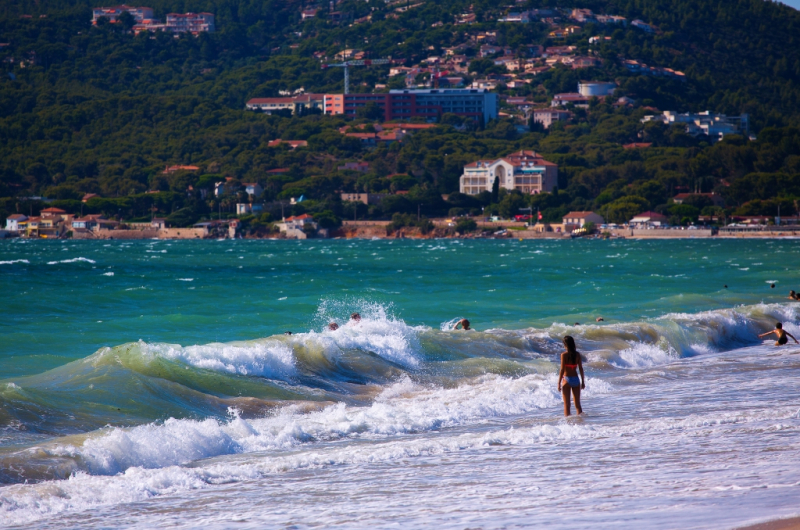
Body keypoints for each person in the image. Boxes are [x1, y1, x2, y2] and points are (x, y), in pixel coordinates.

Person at [557, 335, 585, 416]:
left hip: (566, 380)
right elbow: (581, 369)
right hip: (576, 379)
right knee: (578, 405)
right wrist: (583, 382)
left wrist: (558, 383)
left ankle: (568, 425)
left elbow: (562, 369)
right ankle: (581, 422)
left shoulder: (564, 355)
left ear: (565, 344)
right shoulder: (577, 355)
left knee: (567, 405)